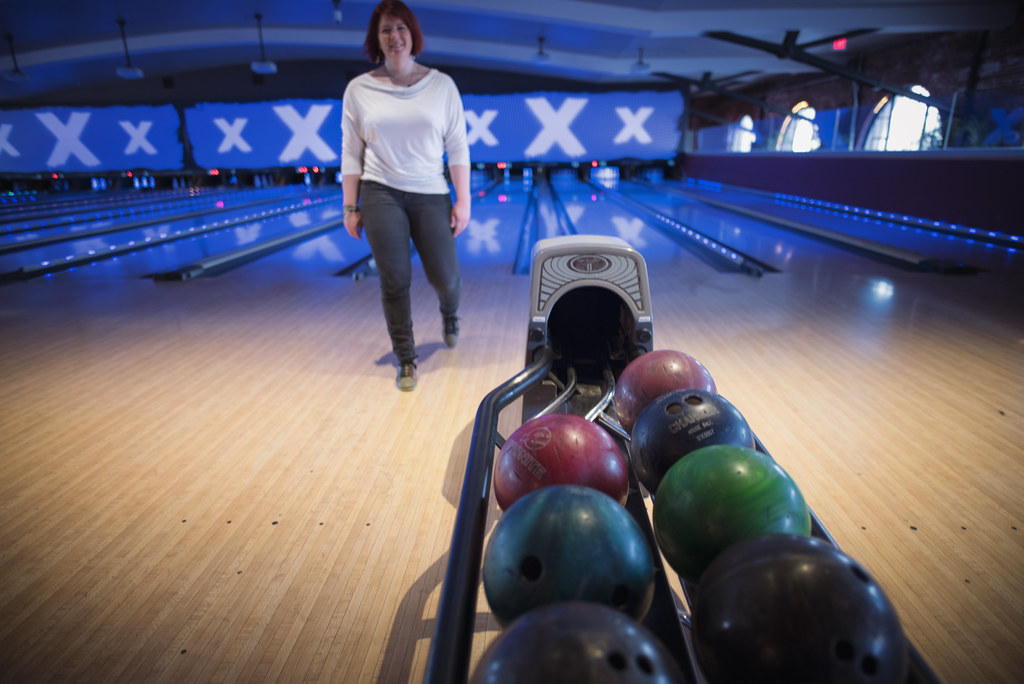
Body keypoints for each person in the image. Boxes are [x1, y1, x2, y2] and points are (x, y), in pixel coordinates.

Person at [341, 0, 471, 391]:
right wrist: (350, 205)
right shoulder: (358, 89)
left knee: (446, 279)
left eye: (401, 28)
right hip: (380, 191)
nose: (394, 36)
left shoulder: (442, 86)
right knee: (394, 280)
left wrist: (463, 200)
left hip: (431, 192)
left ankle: (450, 313)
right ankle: (406, 358)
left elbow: (458, 146)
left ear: (413, 34)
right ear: (375, 39)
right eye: (385, 30)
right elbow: (351, 152)